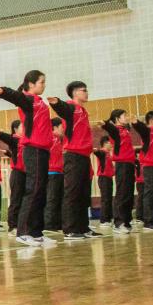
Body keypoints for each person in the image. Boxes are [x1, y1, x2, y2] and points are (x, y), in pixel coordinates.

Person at [0, 70, 54, 247]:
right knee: (33, 190)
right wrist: (2, 91)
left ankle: (36, 232)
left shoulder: (39, 101)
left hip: (43, 149)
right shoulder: (28, 100)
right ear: (30, 84)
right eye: (41, 82)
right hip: (34, 149)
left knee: (40, 192)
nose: (44, 85)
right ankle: (23, 232)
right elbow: (16, 96)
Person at [48, 81, 98, 239]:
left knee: (83, 194)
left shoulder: (83, 110)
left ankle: (83, 228)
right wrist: (56, 102)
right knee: (72, 193)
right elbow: (62, 108)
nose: (87, 92)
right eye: (84, 90)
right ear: (75, 93)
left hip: (84, 156)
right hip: (73, 155)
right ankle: (70, 229)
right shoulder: (71, 107)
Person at [101, 110, 136, 233]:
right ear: (117, 119)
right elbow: (110, 128)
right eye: (124, 116)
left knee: (129, 194)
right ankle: (118, 223)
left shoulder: (125, 129)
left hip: (130, 163)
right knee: (122, 193)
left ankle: (126, 221)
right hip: (122, 164)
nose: (126, 117)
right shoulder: (116, 130)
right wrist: (105, 124)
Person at [132, 111, 153, 229]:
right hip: (150, 167)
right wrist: (136, 122)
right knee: (150, 194)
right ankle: (149, 222)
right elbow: (141, 128)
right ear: (151, 121)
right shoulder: (148, 132)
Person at [93, 136, 115, 228]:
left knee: (109, 199)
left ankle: (108, 219)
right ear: (105, 143)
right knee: (105, 199)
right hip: (103, 178)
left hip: (109, 178)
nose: (111, 144)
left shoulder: (108, 154)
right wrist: (95, 150)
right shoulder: (103, 152)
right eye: (110, 143)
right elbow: (97, 152)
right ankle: (104, 221)